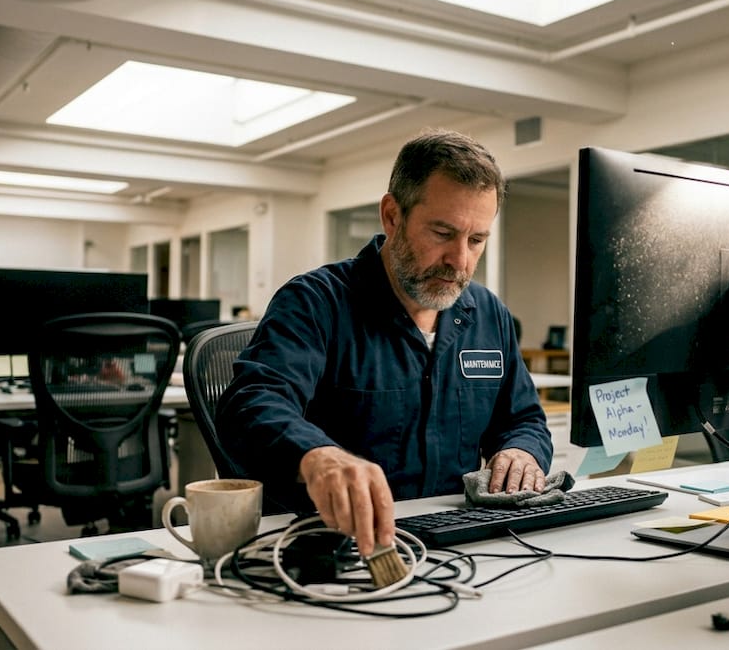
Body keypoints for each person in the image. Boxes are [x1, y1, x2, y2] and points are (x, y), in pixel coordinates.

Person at [215, 128, 553, 556]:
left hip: (458, 544)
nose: (460, 261)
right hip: (330, 549)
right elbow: (251, 404)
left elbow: (523, 419)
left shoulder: (489, 315)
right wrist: (317, 455)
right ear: (392, 215)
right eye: (443, 233)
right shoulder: (316, 303)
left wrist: (522, 452)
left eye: (477, 240)